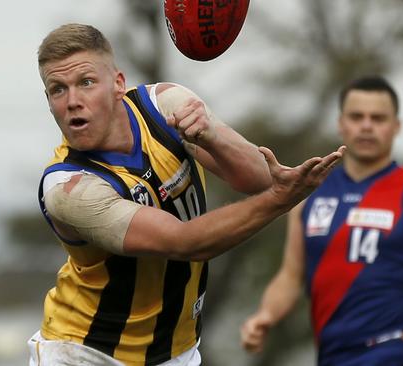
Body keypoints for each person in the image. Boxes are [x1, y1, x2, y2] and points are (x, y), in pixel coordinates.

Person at [29, 23, 344, 366]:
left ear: (118, 84)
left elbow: (259, 177)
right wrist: (281, 199)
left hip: (175, 351)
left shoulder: (164, 105)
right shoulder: (69, 188)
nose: (73, 101)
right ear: (49, 101)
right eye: (58, 89)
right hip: (86, 353)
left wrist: (210, 138)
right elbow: (186, 243)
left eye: (86, 83)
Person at [240, 75, 403, 365]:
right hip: (332, 357)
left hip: (399, 354)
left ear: (396, 126)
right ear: (341, 123)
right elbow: (290, 276)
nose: (366, 125)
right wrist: (266, 315)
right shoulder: (311, 195)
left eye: (378, 118)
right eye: (356, 116)